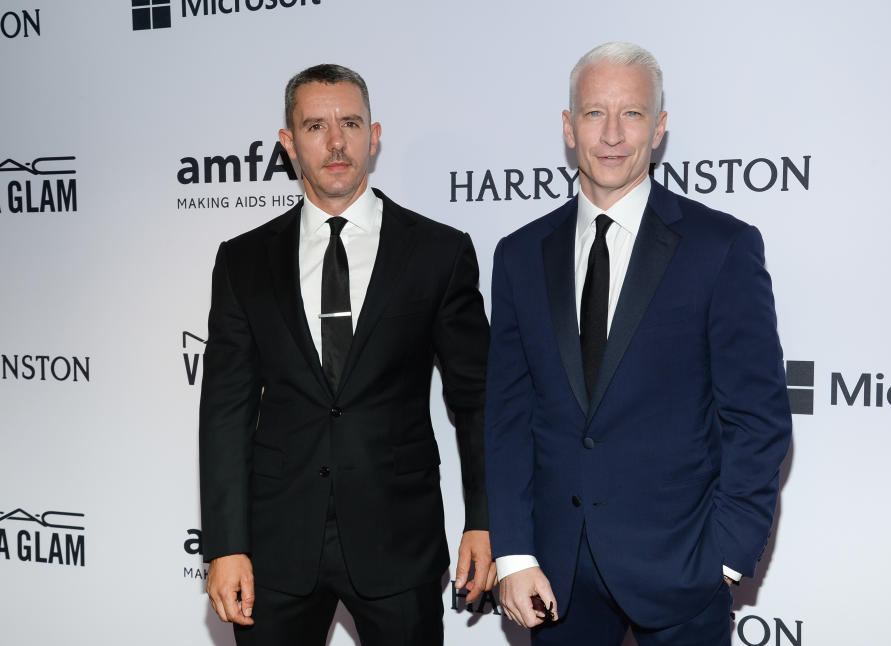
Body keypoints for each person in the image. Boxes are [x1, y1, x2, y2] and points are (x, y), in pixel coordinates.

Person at [484, 42, 792, 645]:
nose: (612, 134)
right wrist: (515, 555)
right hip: (555, 575)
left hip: (682, 567)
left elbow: (758, 417)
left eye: (632, 114)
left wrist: (726, 554)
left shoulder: (720, 247)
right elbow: (508, 418)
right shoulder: (519, 255)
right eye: (595, 113)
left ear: (660, 128)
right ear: (569, 128)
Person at [199, 63, 493, 646]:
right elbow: (225, 410)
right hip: (276, 548)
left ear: (373, 134)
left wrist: (485, 519)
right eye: (315, 126)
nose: (336, 142)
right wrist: (226, 544)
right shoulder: (243, 261)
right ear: (288, 143)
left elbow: (477, 398)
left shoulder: (438, 252)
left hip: (398, 541)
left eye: (350, 123)